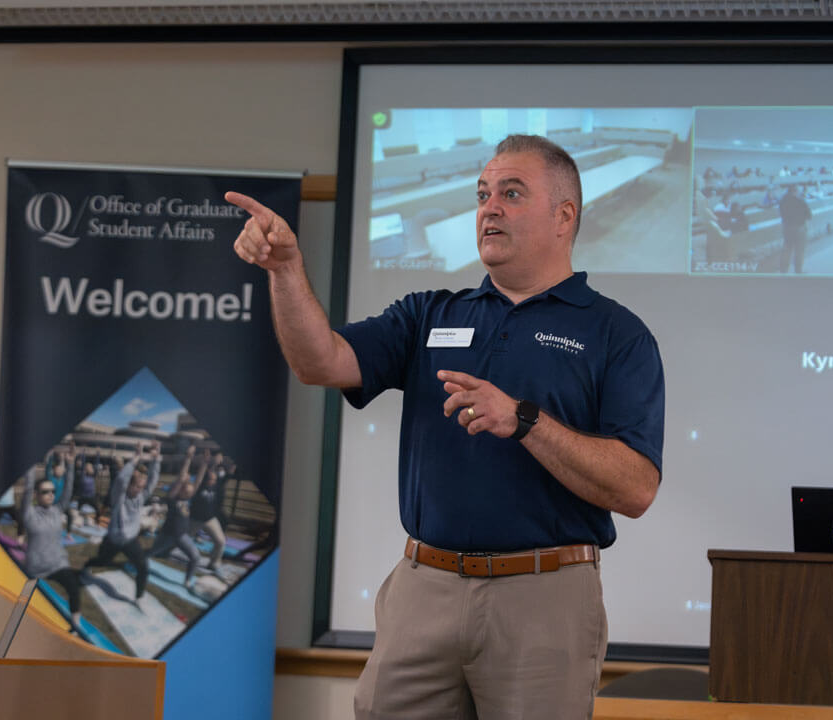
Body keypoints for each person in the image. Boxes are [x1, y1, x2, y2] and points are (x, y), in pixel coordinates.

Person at [227, 133, 664, 720]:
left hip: (543, 597)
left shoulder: (617, 334)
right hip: (423, 588)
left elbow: (635, 488)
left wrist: (525, 420)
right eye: (484, 194)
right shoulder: (429, 313)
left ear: (565, 216)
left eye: (512, 193)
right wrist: (285, 271)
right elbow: (319, 362)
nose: (490, 207)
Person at [80, 443, 161, 602]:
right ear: (129, 485)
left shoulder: (141, 497)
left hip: (130, 541)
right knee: (102, 561)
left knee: (143, 568)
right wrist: (135, 459)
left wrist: (156, 459)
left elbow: (152, 481)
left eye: (141, 487)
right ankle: (86, 566)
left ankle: (138, 597)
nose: (139, 489)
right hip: (114, 540)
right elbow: (121, 479)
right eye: (136, 486)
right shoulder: (119, 498)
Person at [19, 463, 84, 635]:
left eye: (52, 492)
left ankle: (76, 627)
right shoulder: (29, 513)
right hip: (36, 568)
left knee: (73, 587)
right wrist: (30, 470)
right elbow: (26, 493)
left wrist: (70, 467)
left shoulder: (57, 510)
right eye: (45, 492)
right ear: (36, 495)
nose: (50, 495)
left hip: (57, 564)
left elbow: (68, 492)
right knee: (28, 606)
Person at [149, 446, 202, 590]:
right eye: (187, 490)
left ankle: (187, 581)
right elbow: (181, 477)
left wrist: (203, 464)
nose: (190, 493)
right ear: (181, 489)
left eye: (191, 492)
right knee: (152, 552)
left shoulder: (188, 500)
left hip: (182, 536)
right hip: (168, 535)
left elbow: (197, 481)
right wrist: (188, 458)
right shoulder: (173, 499)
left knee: (196, 557)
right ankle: (137, 560)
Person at [189, 450, 229, 575]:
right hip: (195, 520)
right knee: (180, 538)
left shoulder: (215, 485)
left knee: (221, 541)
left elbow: (217, 474)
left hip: (210, 520)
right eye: (211, 479)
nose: (214, 481)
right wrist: (205, 463)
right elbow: (201, 477)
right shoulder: (199, 487)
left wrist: (216, 462)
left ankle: (214, 563)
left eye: (214, 479)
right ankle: (165, 550)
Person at [778, 184, 812, 274]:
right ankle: (798, 271)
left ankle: (783, 271)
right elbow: (809, 215)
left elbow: (781, 214)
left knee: (787, 248)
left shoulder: (782, 201)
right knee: (799, 250)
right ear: (795, 191)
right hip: (799, 228)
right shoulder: (800, 201)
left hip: (787, 227)